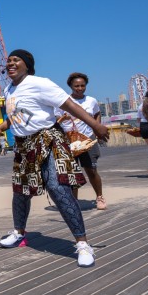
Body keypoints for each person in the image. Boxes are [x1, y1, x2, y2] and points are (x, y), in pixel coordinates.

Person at [0, 50, 108, 267]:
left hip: (48, 140)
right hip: (24, 145)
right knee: (21, 191)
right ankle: (19, 232)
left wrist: (95, 125)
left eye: (16, 60)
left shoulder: (40, 83)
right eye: (8, 61)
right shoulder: (9, 89)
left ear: (27, 65)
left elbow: (68, 104)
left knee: (58, 188)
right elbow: (18, 115)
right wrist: (1, 126)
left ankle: (82, 244)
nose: (10, 63)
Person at [55, 72, 106, 210]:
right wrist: (62, 119)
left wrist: (97, 129)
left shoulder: (91, 101)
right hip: (69, 141)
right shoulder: (63, 102)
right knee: (71, 173)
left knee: (91, 170)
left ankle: (99, 197)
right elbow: (55, 122)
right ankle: (73, 201)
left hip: (88, 139)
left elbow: (96, 114)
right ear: (70, 86)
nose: (80, 88)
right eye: (76, 86)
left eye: (82, 85)